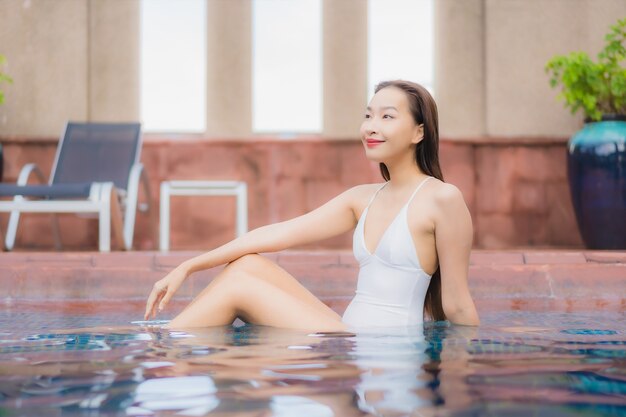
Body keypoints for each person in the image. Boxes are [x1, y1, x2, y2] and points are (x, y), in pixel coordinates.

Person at [145, 80, 480, 331]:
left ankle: (159, 352)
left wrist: (465, 382)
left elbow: (457, 305)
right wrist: (188, 266)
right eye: (368, 115)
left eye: (387, 116)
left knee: (239, 287)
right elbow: (280, 233)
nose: (371, 126)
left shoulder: (442, 199)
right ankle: (171, 344)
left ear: (419, 132)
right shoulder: (362, 198)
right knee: (247, 266)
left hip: (386, 347)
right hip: (349, 337)